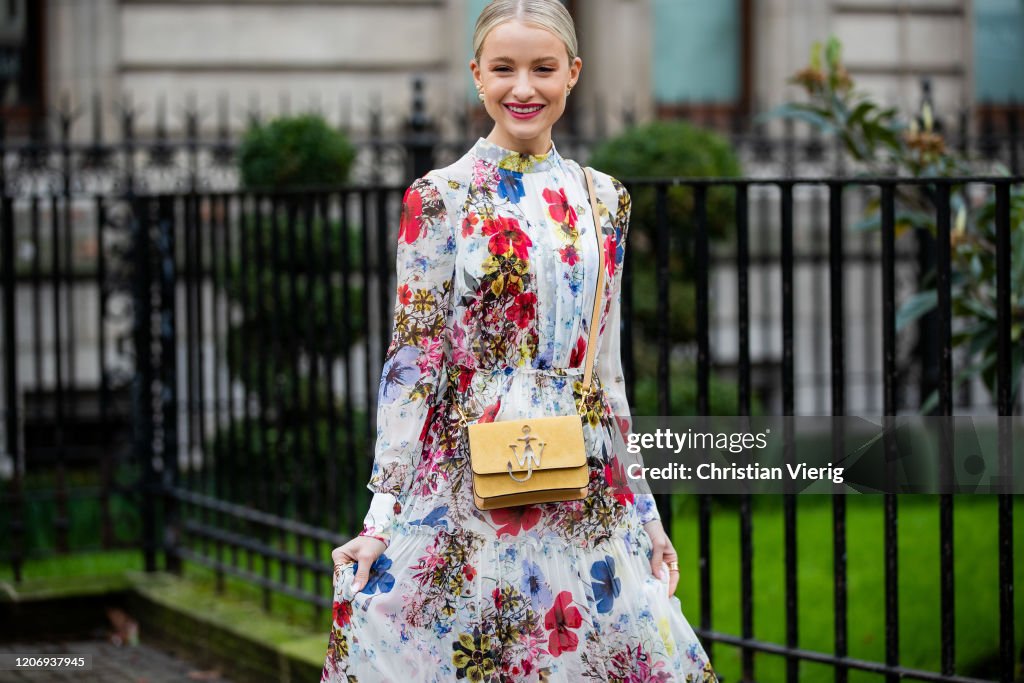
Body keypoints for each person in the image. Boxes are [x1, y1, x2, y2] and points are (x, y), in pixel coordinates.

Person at [322, 1, 719, 680]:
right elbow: (412, 361)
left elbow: (606, 372)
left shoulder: (605, 200)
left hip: (582, 487)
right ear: (477, 75)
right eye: (504, 68)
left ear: (573, 75)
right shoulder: (440, 196)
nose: (523, 87)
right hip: (464, 489)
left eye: (543, 68)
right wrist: (379, 516)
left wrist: (648, 518)